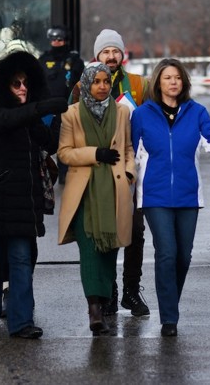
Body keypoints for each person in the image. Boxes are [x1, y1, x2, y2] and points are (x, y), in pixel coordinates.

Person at [0, 51, 67, 339]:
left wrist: (56, 116)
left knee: (22, 259)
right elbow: (5, 119)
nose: (23, 88)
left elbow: (49, 143)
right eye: (16, 83)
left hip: (23, 202)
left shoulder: (30, 114)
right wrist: (39, 108)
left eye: (26, 82)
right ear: (4, 86)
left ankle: (21, 321)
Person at [131, 58, 210, 337]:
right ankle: (169, 318)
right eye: (167, 77)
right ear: (158, 81)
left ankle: (170, 302)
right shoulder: (143, 114)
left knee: (183, 256)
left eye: (178, 78)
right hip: (155, 195)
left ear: (184, 83)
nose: (173, 82)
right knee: (166, 253)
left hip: (187, 195)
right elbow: (131, 154)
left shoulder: (196, 112)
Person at [72, 28, 150, 317]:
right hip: (99, 167)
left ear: (123, 53)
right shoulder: (84, 84)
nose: (111, 55)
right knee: (104, 228)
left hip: (133, 166)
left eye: (115, 50)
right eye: (106, 51)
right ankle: (109, 288)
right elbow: (71, 120)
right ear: (97, 55)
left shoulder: (139, 84)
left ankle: (131, 290)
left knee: (135, 231)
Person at [58, 62, 136, 334]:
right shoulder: (71, 115)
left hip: (114, 191)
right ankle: (94, 310)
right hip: (84, 194)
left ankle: (103, 303)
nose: (102, 86)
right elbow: (65, 153)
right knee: (90, 249)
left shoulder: (123, 112)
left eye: (106, 81)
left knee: (109, 250)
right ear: (86, 85)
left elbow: (128, 149)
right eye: (97, 82)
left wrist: (128, 175)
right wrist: (95, 154)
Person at [39, 25, 84, 185]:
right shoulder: (43, 60)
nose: (57, 42)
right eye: (53, 39)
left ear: (66, 40)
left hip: (68, 108)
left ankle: (65, 176)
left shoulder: (75, 61)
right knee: (44, 144)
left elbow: (82, 85)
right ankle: (44, 175)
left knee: (66, 143)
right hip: (47, 110)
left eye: (60, 39)